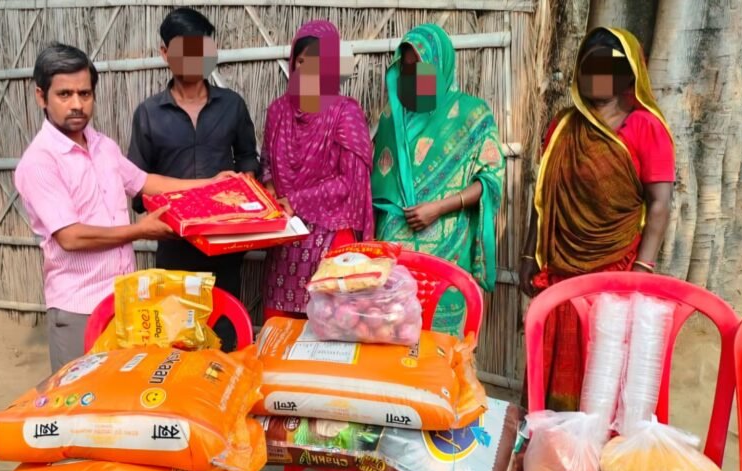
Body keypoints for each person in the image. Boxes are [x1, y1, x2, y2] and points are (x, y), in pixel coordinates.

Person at [14, 43, 230, 372]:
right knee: (81, 394)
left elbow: (145, 182)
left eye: (85, 94)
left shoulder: (103, 146)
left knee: (120, 391)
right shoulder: (39, 162)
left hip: (124, 302)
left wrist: (210, 184)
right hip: (79, 308)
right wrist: (140, 230)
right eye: (65, 94)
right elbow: (71, 237)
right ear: (41, 97)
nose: (77, 104)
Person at [520, 27, 675, 410]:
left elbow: (659, 203)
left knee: (602, 370)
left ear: (629, 73)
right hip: (559, 271)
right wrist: (528, 254)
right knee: (550, 369)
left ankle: (594, 440)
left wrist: (642, 269)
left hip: (614, 272)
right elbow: (544, 197)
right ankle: (545, 439)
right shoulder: (563, 126)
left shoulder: (646, 128)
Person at [128, 8, 260, 349]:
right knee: (176, 339)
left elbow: (248, 158)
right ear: (164, 53)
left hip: (225, 245)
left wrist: (244, 188)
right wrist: (178, 209)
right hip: (174, 246)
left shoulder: (232, 105)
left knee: (225, 334)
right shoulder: (148, 114)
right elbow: (137, 185)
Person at [371, 24, 505, 335]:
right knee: (392, 339)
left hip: (449, 249)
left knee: (442, 343)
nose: (414, 76)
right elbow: (380, 184)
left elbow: (490, 180)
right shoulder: (392, 117)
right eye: (407, 68)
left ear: (440, 67)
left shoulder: (473, 115)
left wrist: (438, 208)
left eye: (422, 68)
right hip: (395, 254)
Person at [260, 20, 374, 321]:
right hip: (285, 239)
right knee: (279, 332)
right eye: (302, 62)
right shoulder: (278, 112)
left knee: (332, 330)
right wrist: (271, 193)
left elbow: (350, 184)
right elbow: (267, 163)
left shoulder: (345, 113)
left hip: (331, 237)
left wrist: (295, 201)